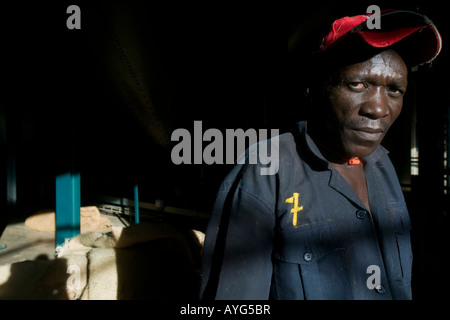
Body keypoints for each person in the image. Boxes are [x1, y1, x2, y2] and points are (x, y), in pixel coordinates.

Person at [199, 10, 442, 300]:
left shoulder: (383, 165)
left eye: (394, 89)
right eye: (358, 84)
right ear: (313, 88)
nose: (378, 108)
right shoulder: (267, 170)